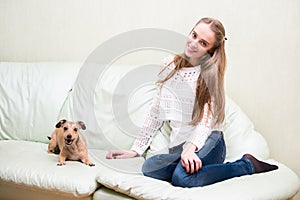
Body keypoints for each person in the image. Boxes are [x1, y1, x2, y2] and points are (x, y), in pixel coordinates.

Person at [106, 17, 278, 187]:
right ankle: (189, 169)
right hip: (179, 149)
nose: (194, 43)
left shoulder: (209, 76)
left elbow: (206, 121)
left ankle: (246, 165)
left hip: (210, 142)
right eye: (194, 35)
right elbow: (156, 112)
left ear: (210, 51)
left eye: (203, 43)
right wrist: (135, 150)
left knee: (182, 178)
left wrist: (191, 148)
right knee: (149, 167)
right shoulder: (168, 64)